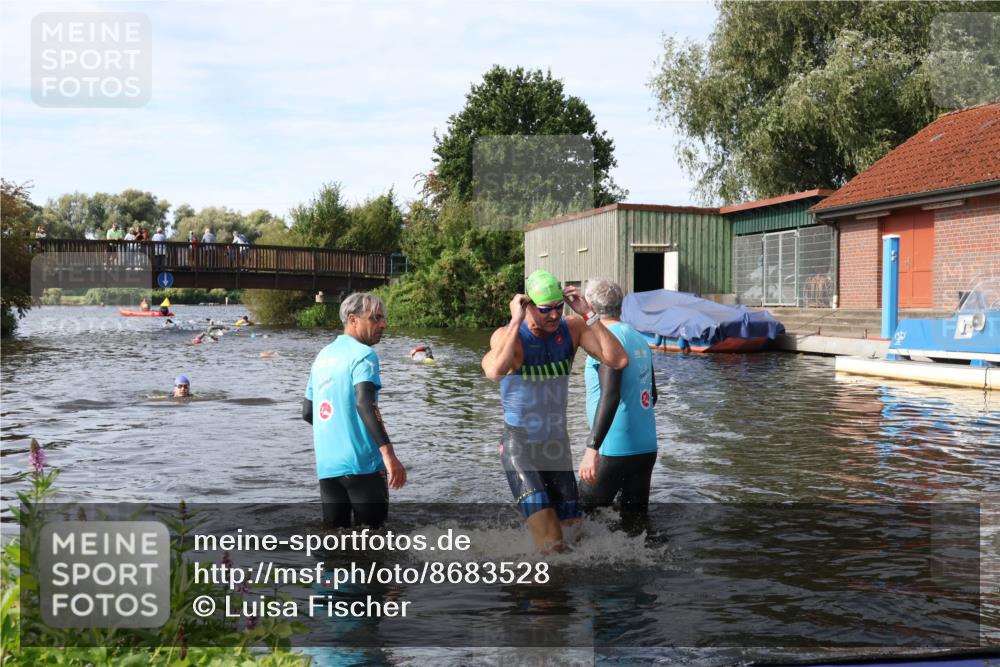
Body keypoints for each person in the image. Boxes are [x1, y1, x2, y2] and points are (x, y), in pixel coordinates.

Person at [481, 270, 628, 552]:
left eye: (558, 307)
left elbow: (618, 360)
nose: (554, 316)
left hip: (557, 447)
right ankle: (541, 594)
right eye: (546, 310)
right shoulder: (509, 336)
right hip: (520, 447)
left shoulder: (572, 330)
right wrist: (515, 321)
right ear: (527, 306)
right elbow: (494, 372)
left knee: (576, 539)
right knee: (552, 544)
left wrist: (588, 313)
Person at [302, 292, 406, 528]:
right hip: (363, 464)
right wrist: (389, 455)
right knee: (375, 542)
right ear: (353, 319)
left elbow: (308, 412)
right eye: (375, 318)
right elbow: (365, 403)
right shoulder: (364, 354)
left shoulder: (322, 356)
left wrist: (338, 431)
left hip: (328, 466)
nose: (383, 324)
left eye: (383, 318)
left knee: (334, 540)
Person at [577, 279, 659, 523]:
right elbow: (652, 395)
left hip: (613, 447)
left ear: (589, 305)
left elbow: (610, 395)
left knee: (578, 518)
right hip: (646, 447)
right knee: (635, 526)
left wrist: (592, 449)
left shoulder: (606, 340)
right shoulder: (639, 338)